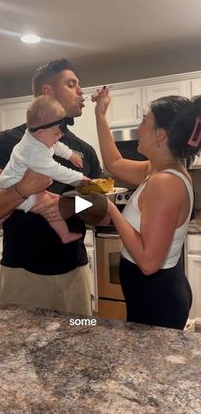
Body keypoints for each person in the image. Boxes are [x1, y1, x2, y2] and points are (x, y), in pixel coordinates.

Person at [0, 59, 102, 315]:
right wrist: (21, 189)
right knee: (22, 350)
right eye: (72, 84)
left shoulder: (83, 151)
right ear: (47, 91)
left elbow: (101, 210)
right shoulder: (7, 143)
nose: (81, 92)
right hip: (22, 275)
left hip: (74, 273)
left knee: (81, 340)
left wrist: (65, 205)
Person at [93, 87, 201, 329]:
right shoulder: (158, 169)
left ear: (160, 135)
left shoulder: (165, 182)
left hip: (157, 299)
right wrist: (100, 115)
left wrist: (111, 209)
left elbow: (149, 263)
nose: (139, 128)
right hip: (150, 293)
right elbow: (115, 163)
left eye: (144, 121)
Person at [0, 95, 90, 249]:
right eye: (56, 134)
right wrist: (79, 178)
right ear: (40, 132)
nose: (60, 136)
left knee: (6, 210)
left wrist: (70, 155)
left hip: (8, 182)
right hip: (19, 187)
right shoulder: (34, 151)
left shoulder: (36, 136)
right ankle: (64, 235)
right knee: (50, 206)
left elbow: (56, 146)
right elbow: (55, 170)